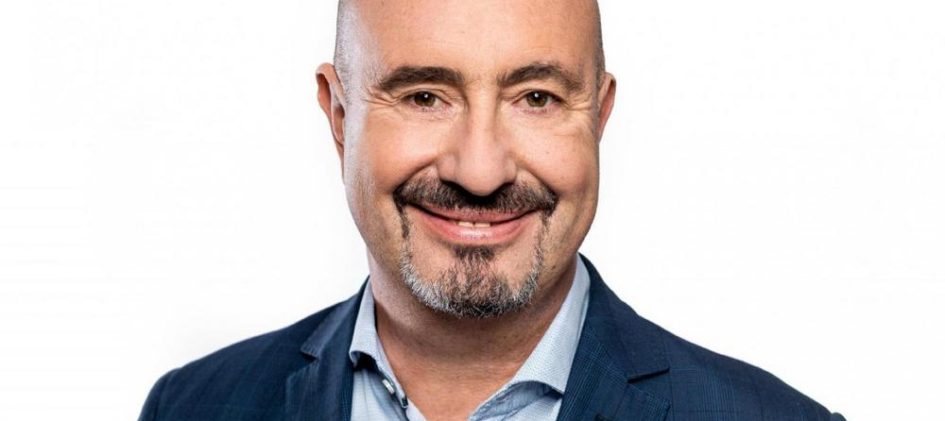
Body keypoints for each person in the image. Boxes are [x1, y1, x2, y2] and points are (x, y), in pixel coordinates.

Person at [139, 0, 844, 419]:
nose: (479, 171)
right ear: (340, 116)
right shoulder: (192, 408)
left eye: (536, 97)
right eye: (424, 96)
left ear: (598, 116)